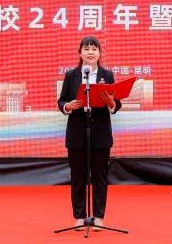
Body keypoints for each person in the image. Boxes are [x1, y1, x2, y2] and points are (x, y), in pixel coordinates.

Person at [57, 36, 122, 230]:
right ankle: (79, 216)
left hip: (100, 133)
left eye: (94, 49)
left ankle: (99, 217)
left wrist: (111, 102)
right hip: (77, 133)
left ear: (99, 53)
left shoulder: (107, 75)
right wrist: (68, 106)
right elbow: (61, 101)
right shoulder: (71, 75)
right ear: (80, 53)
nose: (90, 52)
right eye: (86, 49)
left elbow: (116, 104)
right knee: (78, 176)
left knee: (100, 176)